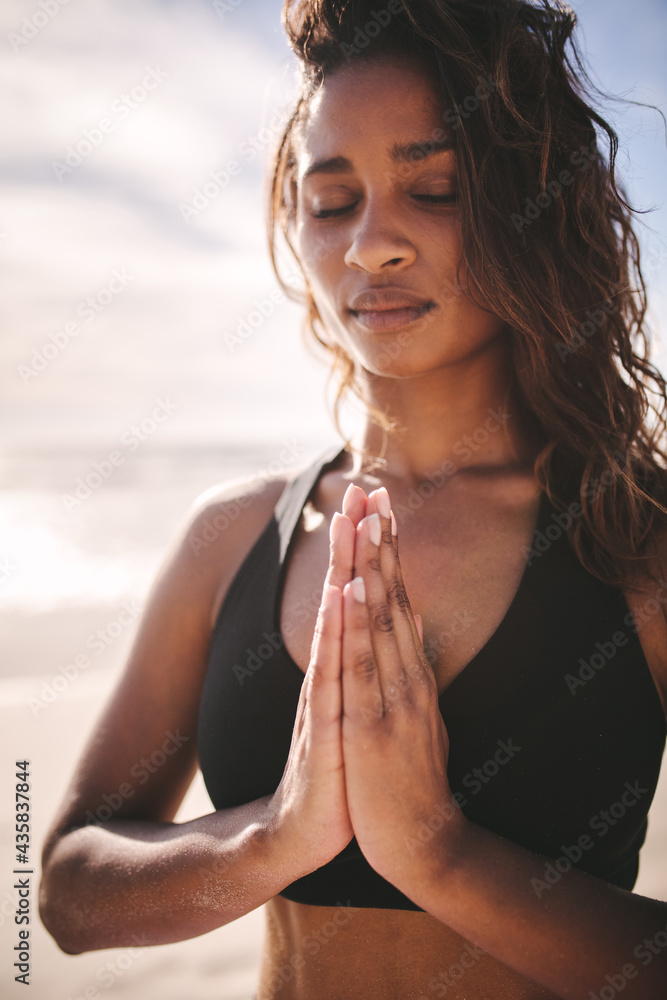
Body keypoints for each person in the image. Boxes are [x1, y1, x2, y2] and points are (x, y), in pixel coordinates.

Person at [39, 0, 667, 997]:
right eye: (334, 201)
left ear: (527, 203)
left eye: (434, 187)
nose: (373, 244)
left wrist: (437, 854)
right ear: (295, 218)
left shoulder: (631, 538)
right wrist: (277, 836)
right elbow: (68, 893)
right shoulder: (231, 538)